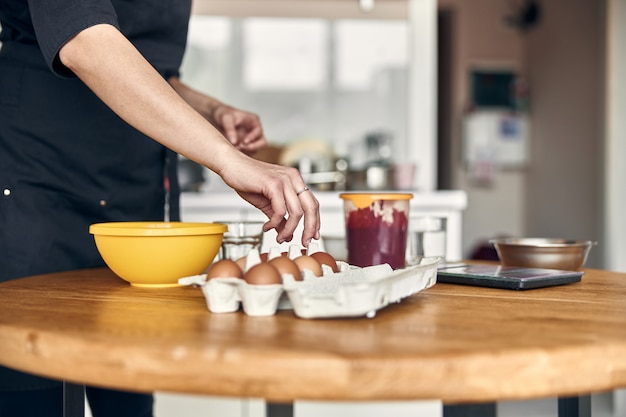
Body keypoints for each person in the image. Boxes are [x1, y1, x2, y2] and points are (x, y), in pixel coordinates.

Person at [0, 1, 320, 416]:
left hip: (131, 187)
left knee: (129, 384)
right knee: (35, 383)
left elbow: (142, 66)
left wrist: (209, 111)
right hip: (39, 180)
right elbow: (83, 42)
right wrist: (228, 159)